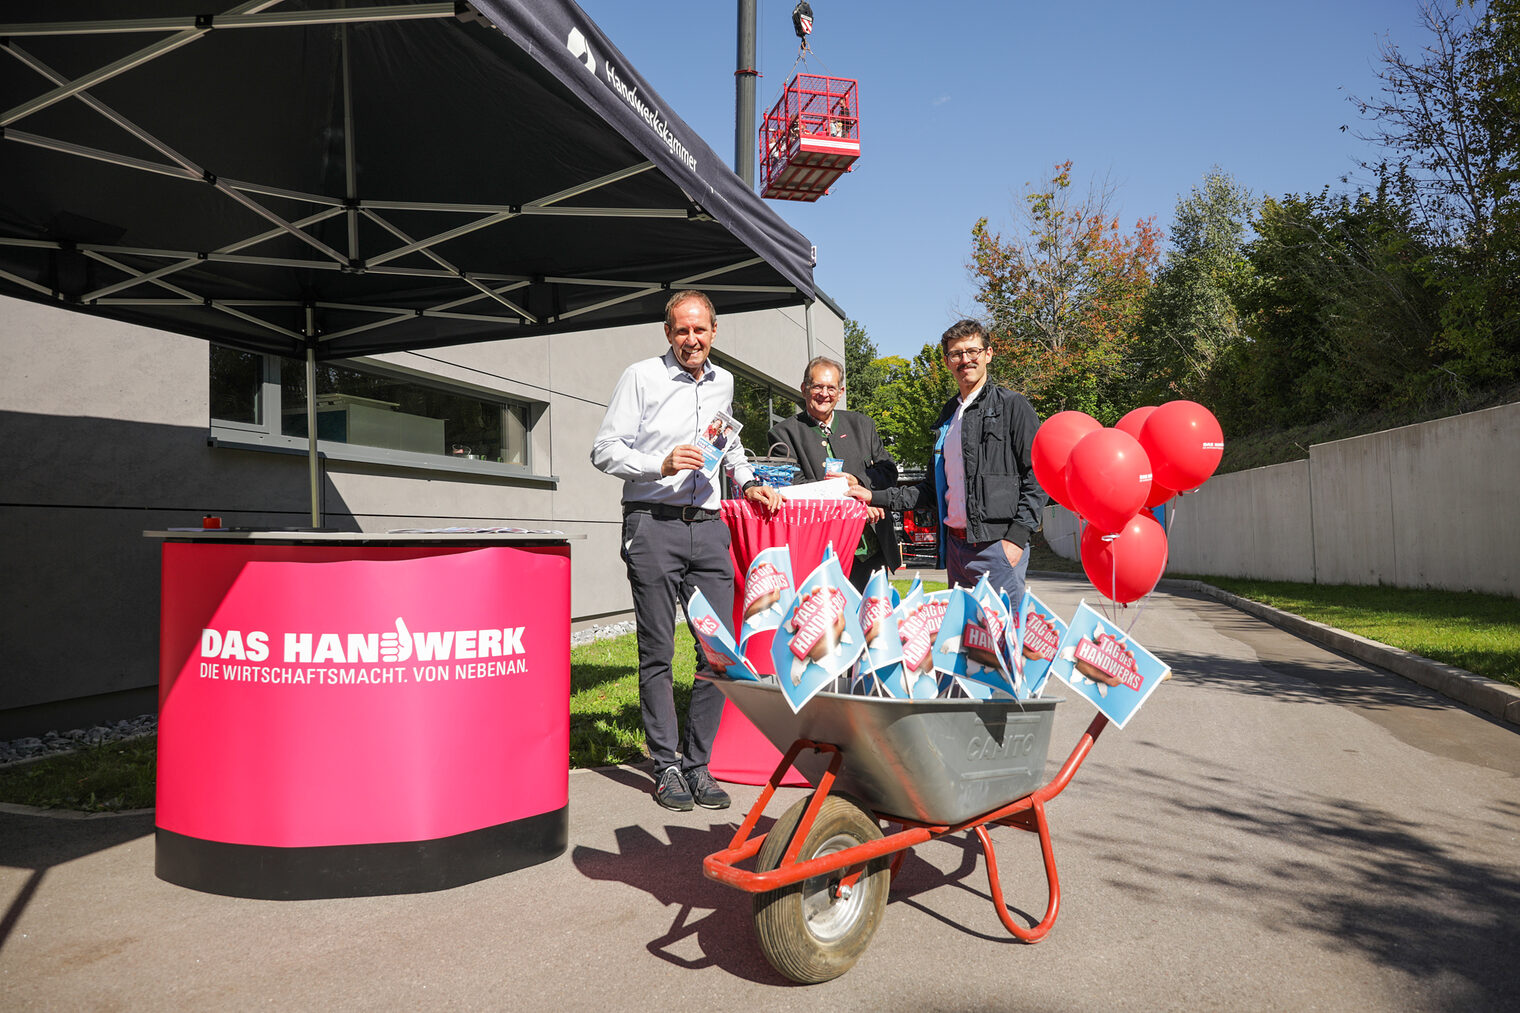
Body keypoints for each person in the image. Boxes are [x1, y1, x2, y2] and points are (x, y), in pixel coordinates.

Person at [591, 290, 783, 812]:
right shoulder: (641, 376)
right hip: (652, 525)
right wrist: (661, 463)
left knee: (718, 653)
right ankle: (666, 765)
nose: (691, 340)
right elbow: (604, 450)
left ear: (714, 332)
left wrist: (747, 481)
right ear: (668, 332)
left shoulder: (724, 381)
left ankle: (699, 764)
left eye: (700, 330)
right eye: (682, 331)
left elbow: (731, 446)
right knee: (658, 651)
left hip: (709, 526)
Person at [849, 319, 1045, 607]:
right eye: (956, 354)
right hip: (956, 549)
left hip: (997, 546)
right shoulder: (948, 417)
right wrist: (872, 495)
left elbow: (1037, 475)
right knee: (964, 642)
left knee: (1001, 643)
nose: (965, 360)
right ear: (947, 362)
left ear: (988, 354)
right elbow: (929, 490)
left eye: (972, 351)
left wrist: (1016, 538)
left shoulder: (1013, 406)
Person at [767, 356, 900, 591]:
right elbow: (793, 487)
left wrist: (860, 483)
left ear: (841, 392)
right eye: (817, 386)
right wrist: (853, 502)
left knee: (873, 622)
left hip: (870, 549)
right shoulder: (783, 433)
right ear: (804, 388)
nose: (824, 394)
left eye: (831, 388)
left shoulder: (863, 425)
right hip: (819, 551)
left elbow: (888, 470)